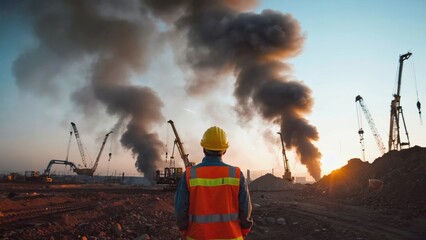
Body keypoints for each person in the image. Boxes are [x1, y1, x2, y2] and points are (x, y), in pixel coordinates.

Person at [174, 126, 253, 239]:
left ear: (203, 148)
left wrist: (185, 230)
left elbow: (180, 212)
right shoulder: (236, 174)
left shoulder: (189, 174)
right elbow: (245, 211)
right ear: (224, 150)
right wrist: (244, 230)